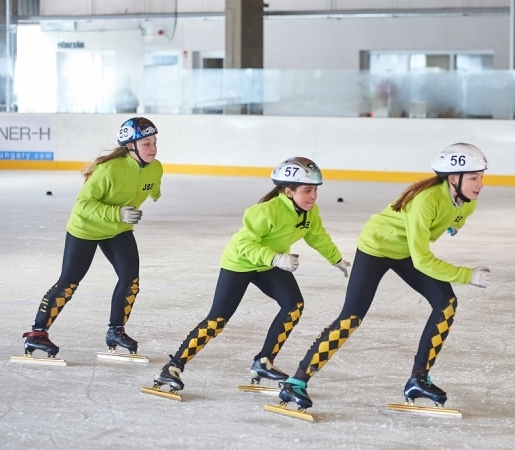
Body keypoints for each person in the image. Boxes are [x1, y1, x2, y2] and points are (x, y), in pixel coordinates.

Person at [275, 143, 492, 412]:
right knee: (351, 317)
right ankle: (296, 382)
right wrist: (467, 275)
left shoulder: (467, 202)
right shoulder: (425, 201)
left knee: (446, 303)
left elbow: (454, 220)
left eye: (481, 176)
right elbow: (423, 260)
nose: (480, 184)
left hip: (405, 251)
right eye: (473, 177)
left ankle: (418, 379)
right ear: (453, 178)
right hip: (376, 247)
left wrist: (449, 226)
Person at [148, 157, 350, 396]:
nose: (313, 196)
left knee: (293, 306)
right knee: (217, 320)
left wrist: (337, 259)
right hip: (240, 263)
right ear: (288, 191)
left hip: (268, 263)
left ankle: (264, 362)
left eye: (315, 190)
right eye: (307, 190)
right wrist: (276, 259)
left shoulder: (308, 212)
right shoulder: (265, 212)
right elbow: (244, 244)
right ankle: (172, 367)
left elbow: (317, 236)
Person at [20, 118, 162, 360]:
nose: (153, 148)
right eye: (146, 143)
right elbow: (84, 204)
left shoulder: (156, 168)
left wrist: (150, 195)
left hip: (117, 230)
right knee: (69, 282)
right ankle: (37, 333)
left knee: (130, 279)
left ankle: (116, 331)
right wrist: (118, 212)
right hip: (85, 228)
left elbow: (151, 187)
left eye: (154, 142)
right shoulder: (109, 169)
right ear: (130, 146)